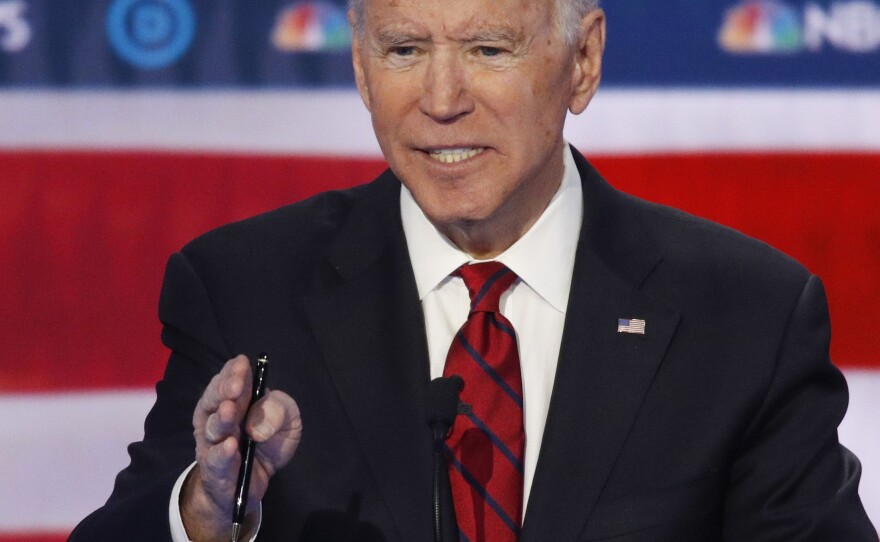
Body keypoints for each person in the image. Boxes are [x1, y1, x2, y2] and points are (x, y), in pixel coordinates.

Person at [70, 0, 878, 540]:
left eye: (488, 49)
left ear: (583, 60)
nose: (442, 99)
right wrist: (206, 511)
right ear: (362, 68)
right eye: (405, 50)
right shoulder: (246, 289)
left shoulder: (745, 315)